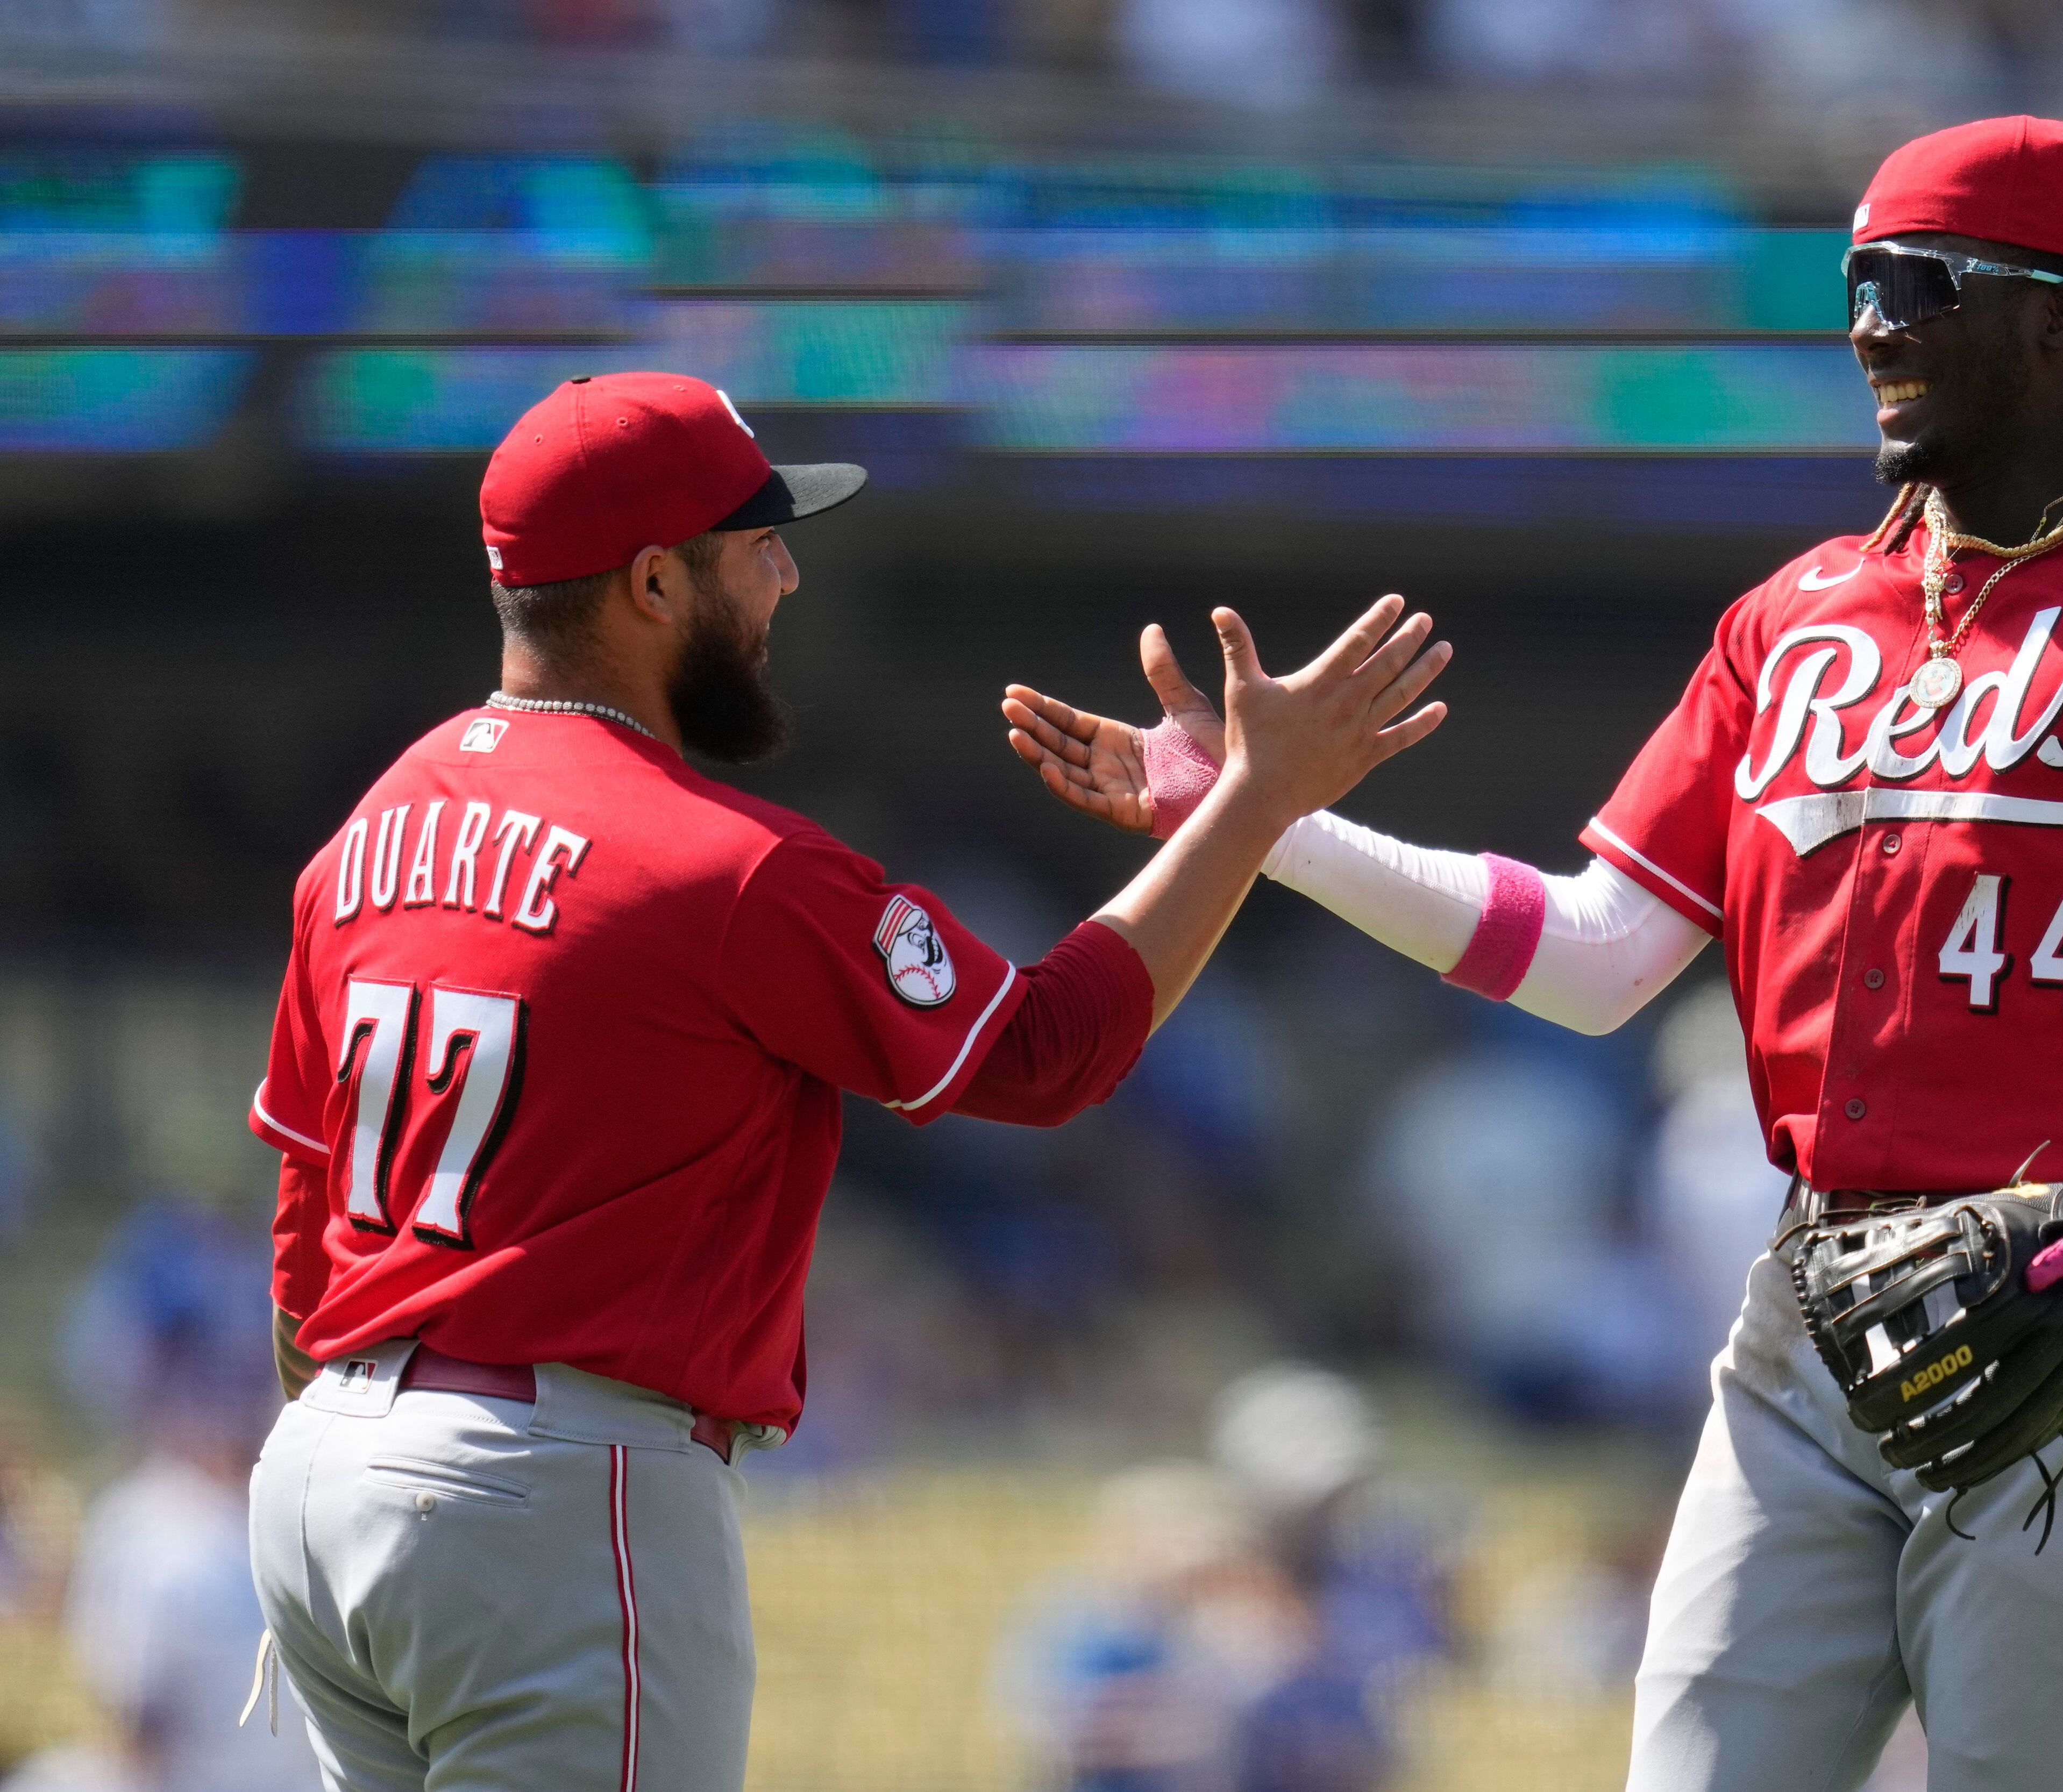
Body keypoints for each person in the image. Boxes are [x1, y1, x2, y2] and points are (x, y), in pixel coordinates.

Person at [1001, 118, 2063, 1791]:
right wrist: (1260, 825)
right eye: (1857, 287)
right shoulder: (1792, 618)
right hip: (1815, 1308)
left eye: (1920, 282)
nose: (1872, 324)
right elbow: (1597, 955)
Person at [242, 369, 1450, 1791]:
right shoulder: (725, 865)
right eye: (759, 545)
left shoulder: (373, 833)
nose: (789, 575)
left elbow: (302, 1225)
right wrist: (1257, 801)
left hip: (325, 1474)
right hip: (546, 1487)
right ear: (649, 584)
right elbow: (1047, 1053)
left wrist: (360, 1458)